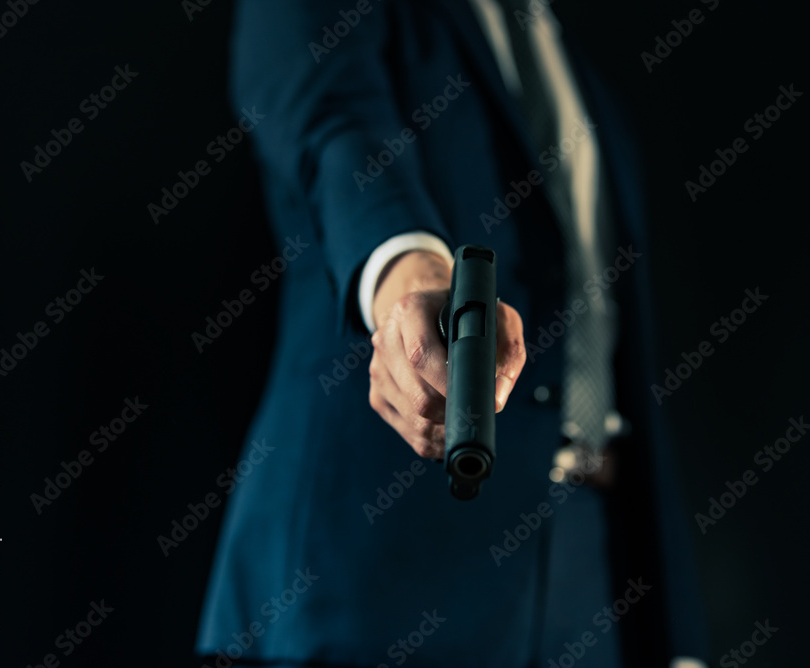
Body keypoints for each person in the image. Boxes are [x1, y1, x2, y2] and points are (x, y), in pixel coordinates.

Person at [197, 1, 710, 666]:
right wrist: (412, 279)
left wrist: (674, 635)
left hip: (597, 578)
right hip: (380, 569)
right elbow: (338, 134)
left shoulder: (575, 66)